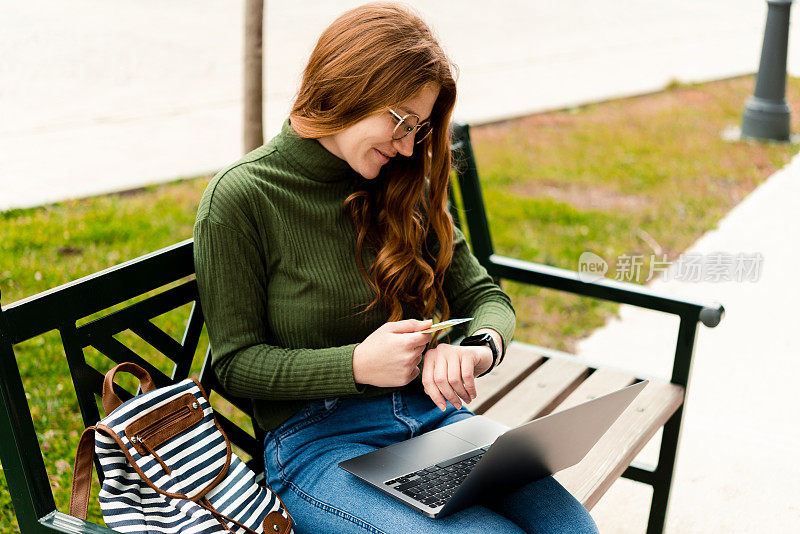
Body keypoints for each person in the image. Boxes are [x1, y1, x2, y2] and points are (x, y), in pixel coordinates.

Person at [194, 3, 599, 533]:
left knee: (574, 530)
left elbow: (485, 298)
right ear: (346, 87)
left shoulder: (403, 181)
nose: (409, 146)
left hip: (434, 422)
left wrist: (477, 350)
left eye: (421, 130)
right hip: (318, 446)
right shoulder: (243, 198)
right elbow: (236, 364)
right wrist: (357, 365)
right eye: (402, 123)